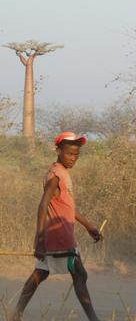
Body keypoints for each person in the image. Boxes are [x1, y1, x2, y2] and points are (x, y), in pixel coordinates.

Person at [11, 132, 102, 321]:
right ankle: (94, 318)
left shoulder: (62, 172)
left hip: (62, 234)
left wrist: (89, 226)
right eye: (69, 153)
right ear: (59, 151)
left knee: (43, 273)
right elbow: (43, 205)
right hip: (58, 235)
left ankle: (16, 313)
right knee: (78, 276)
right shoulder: (55, 175)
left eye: (76, 154)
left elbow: (67, 206)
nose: (73, 158)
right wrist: (40, 240)